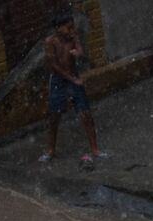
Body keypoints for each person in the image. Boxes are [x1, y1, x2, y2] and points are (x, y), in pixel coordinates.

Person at [41, 14, 100, 170]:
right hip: (59, 81)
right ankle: (50, 150)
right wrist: (72, 80)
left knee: (85, 114)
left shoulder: (72, 37)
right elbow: (54, 66)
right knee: (54, 117)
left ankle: (95, 149)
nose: (70, 30)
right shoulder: (50, 42)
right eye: (68, 27)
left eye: (72, 27)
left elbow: (80, 51)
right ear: (57, 28)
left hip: (74, 77)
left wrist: (79, 52)